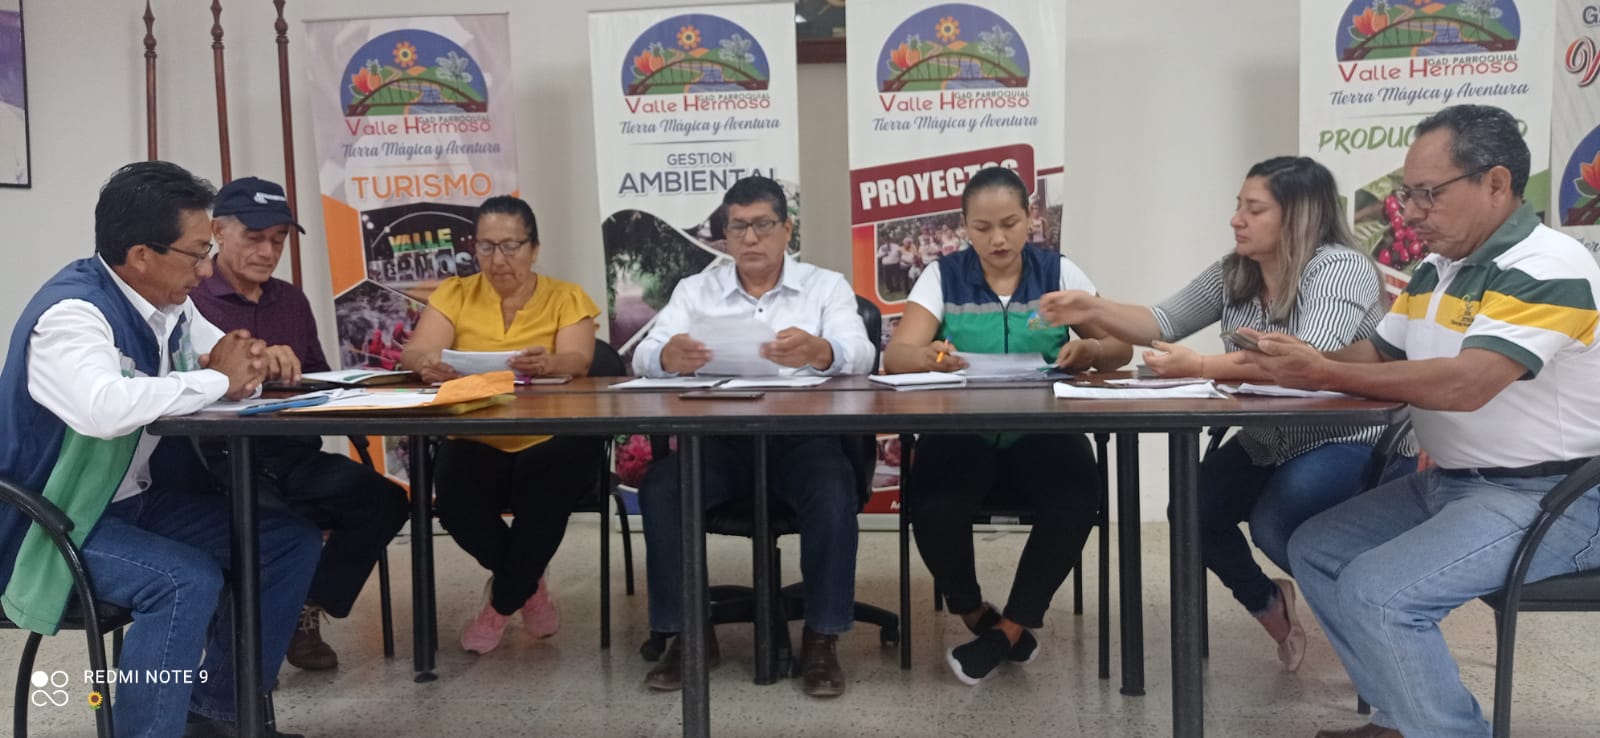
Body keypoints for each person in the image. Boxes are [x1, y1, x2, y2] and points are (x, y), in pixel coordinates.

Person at [1237, 105, 1600, 738]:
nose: (1410, 212)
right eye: (1408, 194)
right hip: (1455, 483)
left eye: (1429, 193)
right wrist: (1303, 358)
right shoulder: (1438, 267)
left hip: (1554, 495)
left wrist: (1321, 373)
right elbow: (1381, 355)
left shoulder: (1548, 267)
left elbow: (1467, 384)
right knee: (1317, 549)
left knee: (1379, 591)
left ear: (1496, 183)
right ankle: (1402, 720)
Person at [1038, 156, 1402, 672]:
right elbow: (1162, 320)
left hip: (1345, 435)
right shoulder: (1236, 270)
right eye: (1239, 206)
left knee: (1279, 514)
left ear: (1298, 215)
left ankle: (1368, 621)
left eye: (1254, 209)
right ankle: (1270, 604)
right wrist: (1092, 308)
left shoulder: (1341, 267)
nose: (1237, 219)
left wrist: (1204, 366)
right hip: (1268, 437)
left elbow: (1302, 357)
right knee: (1192, 509)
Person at [0, 161, 321, 737]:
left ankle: (219, 714)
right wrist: (218, 377)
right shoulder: (72, 317)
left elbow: (227, 359)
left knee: (284, 542)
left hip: (130, 502)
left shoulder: (170, 302)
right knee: (182, 579)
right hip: (51, 520)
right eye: (197, 253)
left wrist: (244, 365)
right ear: (142, 254)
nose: (206, 268)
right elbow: (103, 406)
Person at [882, 166, 1132, 685]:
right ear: (964, 227)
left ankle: (1009, 630)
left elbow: (1120, 347)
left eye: (1010, 224)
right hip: (962, 430)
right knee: (932, 504)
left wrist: (1089, 349)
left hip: (1043, 430)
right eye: (982, 227)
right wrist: (930, 357)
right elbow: (897, 355)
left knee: (1076, 495)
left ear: (1030, 218)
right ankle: (976, 613)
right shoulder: (943, 275)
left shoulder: (1058, 272)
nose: (997, 238)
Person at [632, 175, 875, 698]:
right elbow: (644, 356)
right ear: (724, 235)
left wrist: (821, 351)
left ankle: (822, 637)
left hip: (802, 439)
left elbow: (861, 353)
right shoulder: (694, 291)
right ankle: (689, 635)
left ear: (787, 229)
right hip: (718, 441)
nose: (750, 238)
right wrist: (666, 356)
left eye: (763, 225)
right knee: (663, 488)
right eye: (737, 227)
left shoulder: (825, 286)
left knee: (833, 489)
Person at [191, 176, 411, 672]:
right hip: (219, 457)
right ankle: (246, 642)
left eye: (278, 240)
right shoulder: (192, 299)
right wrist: (247, 365)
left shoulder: (291, 301)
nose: (268, 252)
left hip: (291, 452)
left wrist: (318, 381)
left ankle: (302, 607)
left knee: (386, 500)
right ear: (218, 232)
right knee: (283, 532)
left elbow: (321, 380)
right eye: (255, 237)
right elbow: (178, 384)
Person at [400, 195, 603, 654]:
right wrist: (427, 362)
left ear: (534, 248)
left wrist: (549, 362)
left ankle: (499, 606)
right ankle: (530, 586)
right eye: (486, 247)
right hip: (475, 429)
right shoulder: (455, 293)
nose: (498, 259)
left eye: (511, 246)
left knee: (545, 499)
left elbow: (579, 359)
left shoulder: (566, 296)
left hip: (551, 433)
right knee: (455, 505)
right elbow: (416, 351)